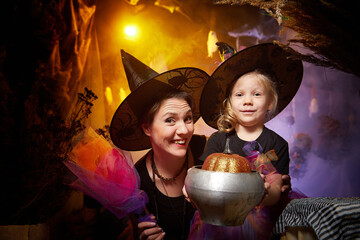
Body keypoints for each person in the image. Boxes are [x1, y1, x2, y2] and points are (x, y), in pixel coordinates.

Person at [187, 43, 304, 239]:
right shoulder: (218, 140)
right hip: (218, 220)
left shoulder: (278, 144)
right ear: (230, 103)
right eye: (239, 95)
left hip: (260, 220)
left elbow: (276, 191)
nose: (247, 101)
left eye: (257, 94)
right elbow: (205, 179)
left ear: (269, 102)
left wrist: (262, 191)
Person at [110, 50, 209, 240]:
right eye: (170, 120)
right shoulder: (136, 183)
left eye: (187, 118)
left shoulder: (208, 152)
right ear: (147, 128)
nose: (184, 130)